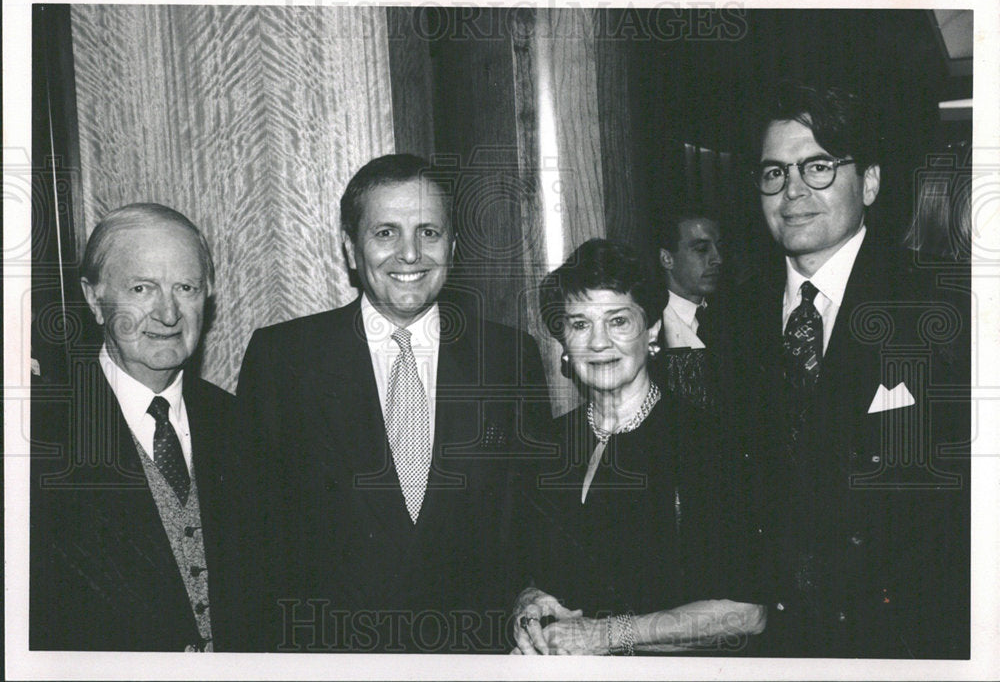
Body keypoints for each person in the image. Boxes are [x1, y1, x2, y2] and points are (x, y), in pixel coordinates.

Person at [234, 153, 550, 653]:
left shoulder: (509, 359)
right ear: (350, 249)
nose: (410, 254)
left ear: (453, 246)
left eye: (429, 232)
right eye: (386, 233)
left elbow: (533, 520)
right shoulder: (283, 360)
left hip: (474, 660)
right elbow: (251, 539)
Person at [733, 81, 970, 657]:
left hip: (905, 638)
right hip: (777, 640)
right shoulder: (733, 318)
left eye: (817, 167)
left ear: (869, 183)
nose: (792, 191)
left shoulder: (941, 307)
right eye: (774, 173)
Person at [512, 238, 765, 656]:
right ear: (563, 341)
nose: (598, 342)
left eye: (618, 321)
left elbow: (747, 612)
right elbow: (529, 569)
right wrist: (529, 602)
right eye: (580, 324)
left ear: (651, 330)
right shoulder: (546, 444)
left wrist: (605, 635)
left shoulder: (708, 443)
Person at [30, 203, 235, 651]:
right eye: (142, 288)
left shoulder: (240, 425)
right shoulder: (39, 436)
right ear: (94, 299)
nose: (168, 313)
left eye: (186, 288)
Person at [652, 209, 729, 411]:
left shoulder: (735, 317)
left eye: (719, 247)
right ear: (667, 259)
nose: (717, 259)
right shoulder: (649, 327)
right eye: (702, 249)